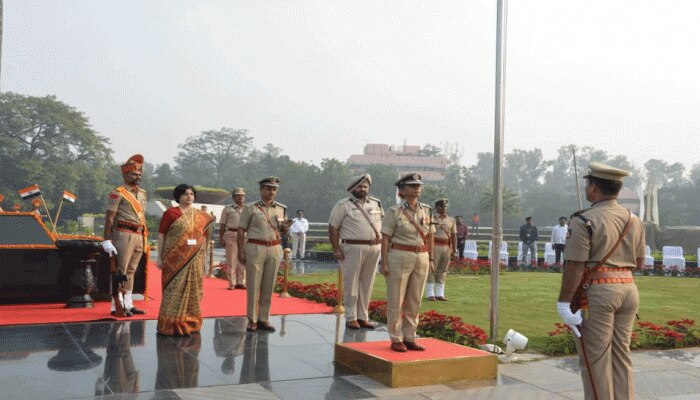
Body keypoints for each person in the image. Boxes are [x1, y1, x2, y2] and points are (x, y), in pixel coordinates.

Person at [557, 162, 645, 400]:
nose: (587, 188)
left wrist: (564, 303)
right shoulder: (633, 219)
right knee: (621, 356)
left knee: (595, 360)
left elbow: (575, 264)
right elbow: (639, 262)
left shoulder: (584, 220)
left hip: (598, 292)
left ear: (594, 188)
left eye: (588, 183)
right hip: (628, 289)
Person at [380, 172, 435, 352]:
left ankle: (410, 335)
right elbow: (386, 237)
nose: (416, 188)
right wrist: (385, 262)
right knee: (396, 298)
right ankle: (396, 337)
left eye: (418, 185)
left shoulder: (426, 210)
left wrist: (431, 258)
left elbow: (431, 236)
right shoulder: (394, 211)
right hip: (399, 255)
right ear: (402, 190)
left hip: (421, 256)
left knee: (415, 299)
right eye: (412, 186)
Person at [156, 184, 215, 335]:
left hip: (195, 259)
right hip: (173, 259)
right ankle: (169, 323)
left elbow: (206, 235)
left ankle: (190, 321)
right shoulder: (171, 213)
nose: (189, 197)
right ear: (178, 197)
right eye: (185, 194)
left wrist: (204, 253)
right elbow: (162, 235)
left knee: (194, 288)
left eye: (191, 194)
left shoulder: (201, 215)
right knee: (173, 289)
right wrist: (160, 257)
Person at [328, 173, 383, 330]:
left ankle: (363, 316)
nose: (363, 189)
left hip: (374, 247)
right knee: (351, 283)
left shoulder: (376, 204)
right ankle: (351, 316)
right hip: (352, 247)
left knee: (367, 283)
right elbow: (333, 227)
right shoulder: (343, 205)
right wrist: (336, 249)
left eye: (365, 186)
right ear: (352, 188)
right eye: (359, 186)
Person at [238, 177, 293, 333]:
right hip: (256, 247)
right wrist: (240, 251)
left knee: (269, 285)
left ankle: (264, 318)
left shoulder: (281, 209)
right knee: (253, 285)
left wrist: (286, 228)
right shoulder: (250, 208)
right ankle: (252, 319)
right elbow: (241, 229)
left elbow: (283, 230)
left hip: (275, 247)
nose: (271, 192)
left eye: (274, 189)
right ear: (261, 190)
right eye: (268, 188)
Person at [102, 154, 149, 317]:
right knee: (120, 270)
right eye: (134, 174)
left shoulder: (143, 193)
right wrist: (106, 238)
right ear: (125, 175)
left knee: (131, 271)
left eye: (139, 174)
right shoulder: (117, 193)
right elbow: (110, 216)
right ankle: (117, 305)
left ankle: (128, 303)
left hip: (138, 233)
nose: (137, 177)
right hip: (122, 233)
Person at [426, 198, 456, 301]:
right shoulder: (431, 218)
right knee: (432, 268)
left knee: (443, 269)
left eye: (445, 207)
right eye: (442, 206)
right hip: (435, 245)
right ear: (437, 207)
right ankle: (430, 293)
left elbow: (453, 235)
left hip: (446, 246)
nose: (444, 208)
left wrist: (454, 250)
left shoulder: (451, 220)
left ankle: (440, 293)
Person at [219, 188, 247, 290]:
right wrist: (221, 238)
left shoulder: (248, 209)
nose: (241, 197)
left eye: (242, 195)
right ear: (233, 197)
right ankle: (232, 282)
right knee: (231, 259)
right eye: (238, 195)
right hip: (231, 233)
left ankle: (242, 281)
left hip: (244, 235)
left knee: (243, 259)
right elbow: (222, 225)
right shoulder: (227, 209)